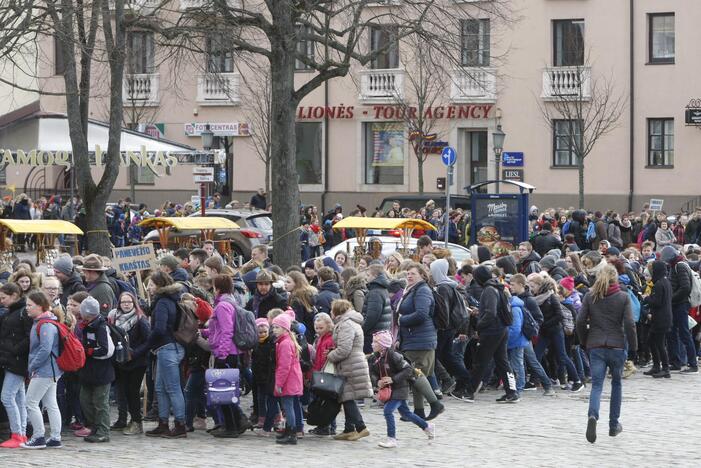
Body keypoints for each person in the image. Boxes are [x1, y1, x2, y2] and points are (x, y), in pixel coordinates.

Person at [576, 265, 637, 444]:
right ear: (615, 278)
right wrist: (633, 348)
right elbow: (629, 324)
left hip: (595, 344)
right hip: (617, 345)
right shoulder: (623, 297)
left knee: (596, 385)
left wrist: (584, 340)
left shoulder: (590, 296)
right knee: (616, 384)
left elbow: (580, 321)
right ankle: (613, 424)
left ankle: (593, 416)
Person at [137, 271, 188, 438]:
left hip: (168, 348)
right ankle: (163, 422)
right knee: (160, 388)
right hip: (166, 348)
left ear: (158, 285)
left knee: (172, 388)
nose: (149, 288)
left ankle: (180, 424)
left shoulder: (163, 302)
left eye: (151, 284)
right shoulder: (169, 300)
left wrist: (145, 346)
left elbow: (159, 328)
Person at [461, 266, 519, 403]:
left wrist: (479, 325)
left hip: (491, 331)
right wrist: (480, 311)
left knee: (480, 362)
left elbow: (491, 313)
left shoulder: (488, 290)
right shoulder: (497, 287)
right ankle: (512, 392)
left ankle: (470, 392)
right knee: (502, 361)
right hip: (502, 329)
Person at [369, 330, 434, 449]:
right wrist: (376, 381)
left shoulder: (394, 355)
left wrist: (393, 379)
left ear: (383, 345)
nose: (372, 344)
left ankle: (391, 438)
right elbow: (372, 373)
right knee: (406, 413)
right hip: (388, 389)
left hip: (400, 388)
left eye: (375, 342)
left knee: (388, 411)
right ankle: (427, 426)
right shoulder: (374, 358)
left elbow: (408, 370)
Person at [202, 275, 247, 438]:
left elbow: (227, 331)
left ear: (218, 288)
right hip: (229, 352)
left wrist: (222, 355)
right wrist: (203, 332)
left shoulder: (222, 306)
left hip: (227, 354)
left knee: (224, 392)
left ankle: (231, 427)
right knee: (226, 391)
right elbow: (219, 329)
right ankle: (237, 421)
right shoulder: (230, 302)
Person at [396, 263, 443, 417]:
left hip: (421, 340)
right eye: (408, 273)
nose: (409, 276)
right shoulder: (411, 290)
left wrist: (402, 320)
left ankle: (435, 404)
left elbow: (422, 314)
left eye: (413, 274)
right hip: (412, 339)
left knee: (415, 374)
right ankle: (419, 411)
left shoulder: (422, 290)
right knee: (416, 375)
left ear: (422, 275)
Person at [326, 299, 372, 442]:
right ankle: (349, 429)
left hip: (350, 364)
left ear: (336, 311)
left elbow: (345, 349)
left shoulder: (346, 325)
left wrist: (330, 355)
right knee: (346, 396)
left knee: (347, 397)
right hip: (352, 363)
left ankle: (361, 427)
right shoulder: (350, 322)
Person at [22, 291, 63, 449]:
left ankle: (38, 436)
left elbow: (45, 349)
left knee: (30, 402)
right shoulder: (44, 321)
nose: (27, 308)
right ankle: (55, 437)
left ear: (40, 306)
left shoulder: (45, 324)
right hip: (51, 370)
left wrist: (32, 366)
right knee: (50, 403)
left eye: (30, 305)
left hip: (45, 371)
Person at [107, 292, 151, 435]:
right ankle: (126, 419)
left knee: (133, 392)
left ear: (134, 303)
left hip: (137, 362)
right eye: (123, 302)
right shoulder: (115, 318)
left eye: (129, 302)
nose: (126, 304)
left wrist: (134, 353)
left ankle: (137, 421)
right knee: (124, 392)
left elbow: (148, 341)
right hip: (121, 362)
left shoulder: (140, 320)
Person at [77, 296, 115, 443]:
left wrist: (88, 351)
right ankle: (94, 427)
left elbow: (106, 350)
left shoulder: (100, 326)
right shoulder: (87, 325)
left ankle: (103, 430)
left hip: (101, 372)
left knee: (100, 403)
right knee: (85, 400)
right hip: (89, 371)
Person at [0, 283, 32, 448]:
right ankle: (21, 434)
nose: (1, 301)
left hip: (17, 361)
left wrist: (14, 350)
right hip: (12, 360)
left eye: (4, 298)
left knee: (7, 397)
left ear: (14, 295)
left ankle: (17, 433)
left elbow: (29, 337)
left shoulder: (22, 312)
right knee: (19, 398)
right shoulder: (12, 312)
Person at [659, 246, 698, 373]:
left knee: (684, 333)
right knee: (672, 333)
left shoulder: (679, 266)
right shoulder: (677, 265)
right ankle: (676, 362)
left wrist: (670, 298)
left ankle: (692, 364)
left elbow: (685, 288)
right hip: (677, 304)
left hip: (681, 304)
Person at [271, 313, 304, 445]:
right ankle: (289, 431)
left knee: (288, 406)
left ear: (285, 329)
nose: (274, 330)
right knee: (289, 406)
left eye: (277, 327)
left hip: (288, 380)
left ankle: (291, 433)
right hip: (292, 379)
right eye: (273, 327)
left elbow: (284, 366)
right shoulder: (286, 342)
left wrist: (279, 383)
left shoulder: (284, 344)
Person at [643, 261, 673, 379]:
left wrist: (647, 298)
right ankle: (656, 366)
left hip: (661, 318)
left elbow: (656, 302)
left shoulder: (659, 284)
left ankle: (665, 369)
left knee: (659, 344)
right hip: (662, 317)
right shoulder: (665, 282)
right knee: (652, 341)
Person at [308, 312, 336, 436]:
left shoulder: (329, 340)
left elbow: (325, 358)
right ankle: (326, 426)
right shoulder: (320, 338)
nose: (318, 330)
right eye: (317, 328)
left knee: (326, 402)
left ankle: (327, 426)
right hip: (319, 372)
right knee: (324, 401)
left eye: (321, 328)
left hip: (325, 373)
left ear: (328, 326)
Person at [251, 317, 278, 435]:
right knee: (261, 398)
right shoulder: (255, 344)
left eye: (264, 332)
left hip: (268, 376)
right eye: (260, 332)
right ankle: (262, 418)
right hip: (258, 376)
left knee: (271, 399)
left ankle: (276, 418)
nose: (262, 334)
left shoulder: (271, 343)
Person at [361, 264, 392, 353]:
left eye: (368, 275)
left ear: (375, 276)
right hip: (381, 333)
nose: (366, 278)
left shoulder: (375, 292)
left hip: (373, 335)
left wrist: (363, 330)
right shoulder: (383, 289)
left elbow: (372, 317)